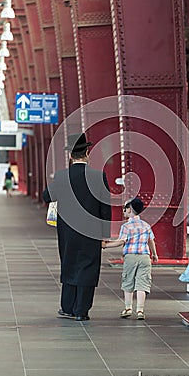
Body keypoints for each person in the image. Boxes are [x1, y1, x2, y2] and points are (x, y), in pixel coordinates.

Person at [43, 133, 111, 321]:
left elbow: (46, 196)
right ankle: (82, 311)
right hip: (92, 231)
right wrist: (105, 235)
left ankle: (67, 308)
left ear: (70, 156)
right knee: (88, 267)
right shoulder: (99, 176)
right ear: (87, 154)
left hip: (68, 232)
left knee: (69, 264)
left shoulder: (62, 176)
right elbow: (106, 208)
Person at [103, 197, 158, 320]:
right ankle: (140, 310)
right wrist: (154, 254)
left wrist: (106, 245)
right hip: (145, 257)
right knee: (142, 283)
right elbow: (151, 241)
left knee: (128, 281)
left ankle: (128, 308)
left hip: (130, 257)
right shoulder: (146, 225)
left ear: (129, 209)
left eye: (124, 209)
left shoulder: (126, 226)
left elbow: (121, 241)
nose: (123, 211)